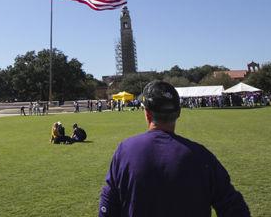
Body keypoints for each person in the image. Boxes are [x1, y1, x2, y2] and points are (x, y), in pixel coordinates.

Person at [99, 80, 249, 216]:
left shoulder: (125, 151)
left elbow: (108, 207)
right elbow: (235, 208)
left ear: (147, 113)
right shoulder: (202, 156)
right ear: (178, 113)